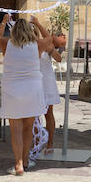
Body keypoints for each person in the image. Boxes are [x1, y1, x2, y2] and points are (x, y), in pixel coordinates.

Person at [0, 14, 51, 175]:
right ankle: (25, 160)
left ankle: (18, 163)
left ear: (14, 30)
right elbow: (49, 38)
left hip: (12, 90)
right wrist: (38, 23)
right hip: (32, 89)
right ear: (28, 30)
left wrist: (4, 21)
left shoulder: (6, 44)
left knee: (16, 130)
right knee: (28, 128)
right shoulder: (37, 44)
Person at [40, 27, 66, 155]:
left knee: (48, 113)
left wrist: (38, 24)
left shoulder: (47, 46)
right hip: (34, 82)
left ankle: (50, 143)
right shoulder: (29, 45)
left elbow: (59, 58)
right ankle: (36, 141)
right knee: (32, 115)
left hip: (46, 82)